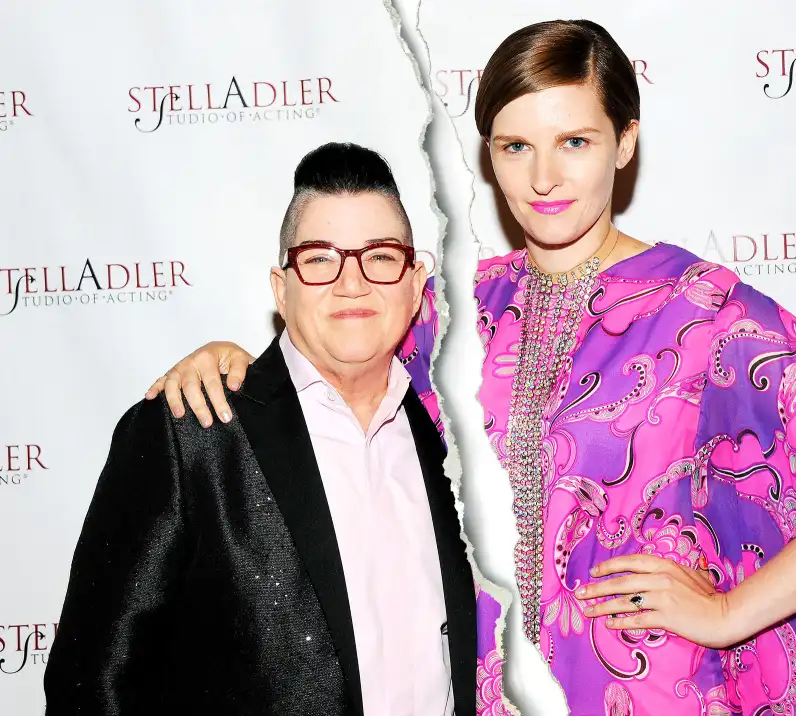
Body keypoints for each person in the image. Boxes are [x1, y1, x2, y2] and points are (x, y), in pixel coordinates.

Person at [145, 20, 796, 715]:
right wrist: (234, 360)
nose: (542, 178)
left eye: (574, 141)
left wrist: (724, 613)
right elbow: (336, 345)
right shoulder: (457, 309)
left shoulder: (705, 313)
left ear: (625, 142)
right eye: (515, 146)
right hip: (484, 688)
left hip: (656, 690)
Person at [45, 142, 479, 716]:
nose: (352, 283)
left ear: (415, 279)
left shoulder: (447, 431)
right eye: (320, 258)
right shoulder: (192, 431)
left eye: (379, 256)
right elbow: (93, 685)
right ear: (281, 287)